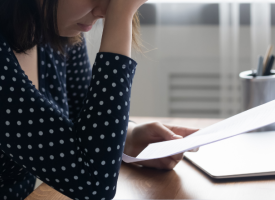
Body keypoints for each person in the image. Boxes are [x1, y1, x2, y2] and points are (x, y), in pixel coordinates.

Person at [0, 0, 199, 199]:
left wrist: (128, 137)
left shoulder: (54, 27)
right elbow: (94, 184)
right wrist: (122, 14)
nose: (105, 11)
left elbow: (81, 121)